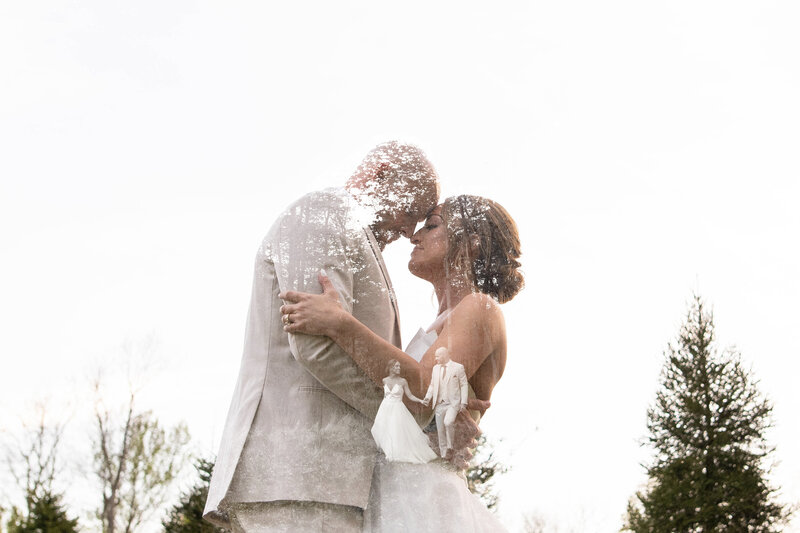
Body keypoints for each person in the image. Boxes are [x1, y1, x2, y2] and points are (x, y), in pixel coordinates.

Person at [203, 141, 440, 533]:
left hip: (326, 480)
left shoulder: (351, 229)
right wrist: (402, 421)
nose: (406, 230)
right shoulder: (323, 212)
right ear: (380, 174)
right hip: (299, 469)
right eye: (408, 213)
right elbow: (316, 345)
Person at [280, 194, 523, 532]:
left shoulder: (481, 308)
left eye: (433, 225)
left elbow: (421, 388)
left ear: (471, 243)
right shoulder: (441, 322)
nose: (415, 235)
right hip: (394, 495)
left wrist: (339, 323)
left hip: (424, 504)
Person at [371, 359, 437, 464]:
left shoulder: (403, 381)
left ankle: (394, 452)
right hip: (385, 407)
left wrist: (420, 400)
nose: (399, 368)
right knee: (381, 428)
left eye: (399, 366)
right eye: (396, 366)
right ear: (391, 368)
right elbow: (385, 395)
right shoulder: (385, 380)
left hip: (397, 408)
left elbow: (409, 395)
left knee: (395, 430)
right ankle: (388, 451)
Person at [422, 346, 469, 458]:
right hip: (439, 404)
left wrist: (464, 402)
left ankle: (450, 447)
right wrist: (428, 397)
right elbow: (433, 385)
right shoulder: (435, 369)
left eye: (438, 356)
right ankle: (444, 455)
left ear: (444, 355)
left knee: (448, 422)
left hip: (453, 403)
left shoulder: (458, 367)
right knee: (440, 430)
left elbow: (464, 384)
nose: (436, 358)